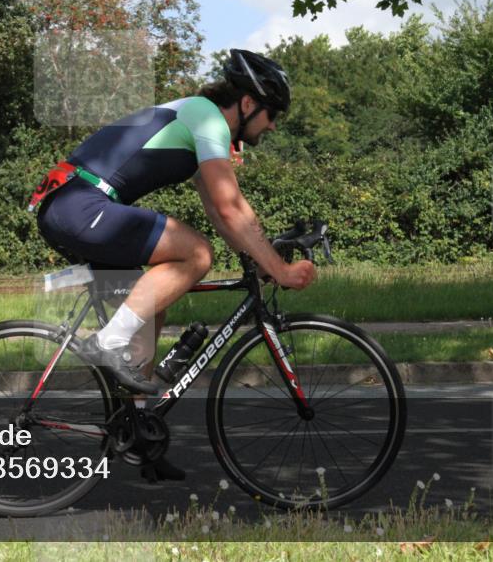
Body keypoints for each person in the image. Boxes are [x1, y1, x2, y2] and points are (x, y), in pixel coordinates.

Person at [28, 49, 316, 476]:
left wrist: (257, 259)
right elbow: (232, 207)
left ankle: (140, 436)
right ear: (249, 103)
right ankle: (106, 344)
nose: (272, 125)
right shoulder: (206, 118)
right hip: (79, 204)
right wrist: (281, 269)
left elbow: (223, 213)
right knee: (196, 254)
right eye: (272, 113)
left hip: (71, 204)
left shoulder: (197, 121)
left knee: (150, 306)